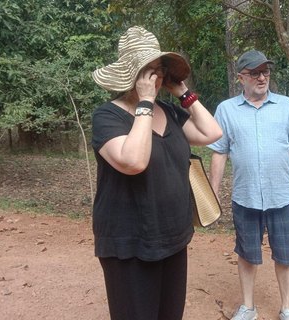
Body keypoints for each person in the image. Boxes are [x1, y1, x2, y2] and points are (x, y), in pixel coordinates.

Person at [91, 26, 223, 320]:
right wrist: (146, 102)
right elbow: (133, 161)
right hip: (129, 244)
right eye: (148, 70)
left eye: (160, 69)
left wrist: (183, 92)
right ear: (131, 75)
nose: (156, 76)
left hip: (173, 237)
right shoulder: (107, 116)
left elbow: (212, 133)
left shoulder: (171, 112)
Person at [208, 50, 289, 320]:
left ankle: (287, 307)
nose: (262, 77)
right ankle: (248, 307)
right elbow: (219, 152)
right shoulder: (226, 110)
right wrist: (213, 192)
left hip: (283, 196)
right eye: (254, 73)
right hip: (246, 197)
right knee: (246, 253)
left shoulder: (287, 106)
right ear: (240, 77)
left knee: (287, 254)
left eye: (265, 71)